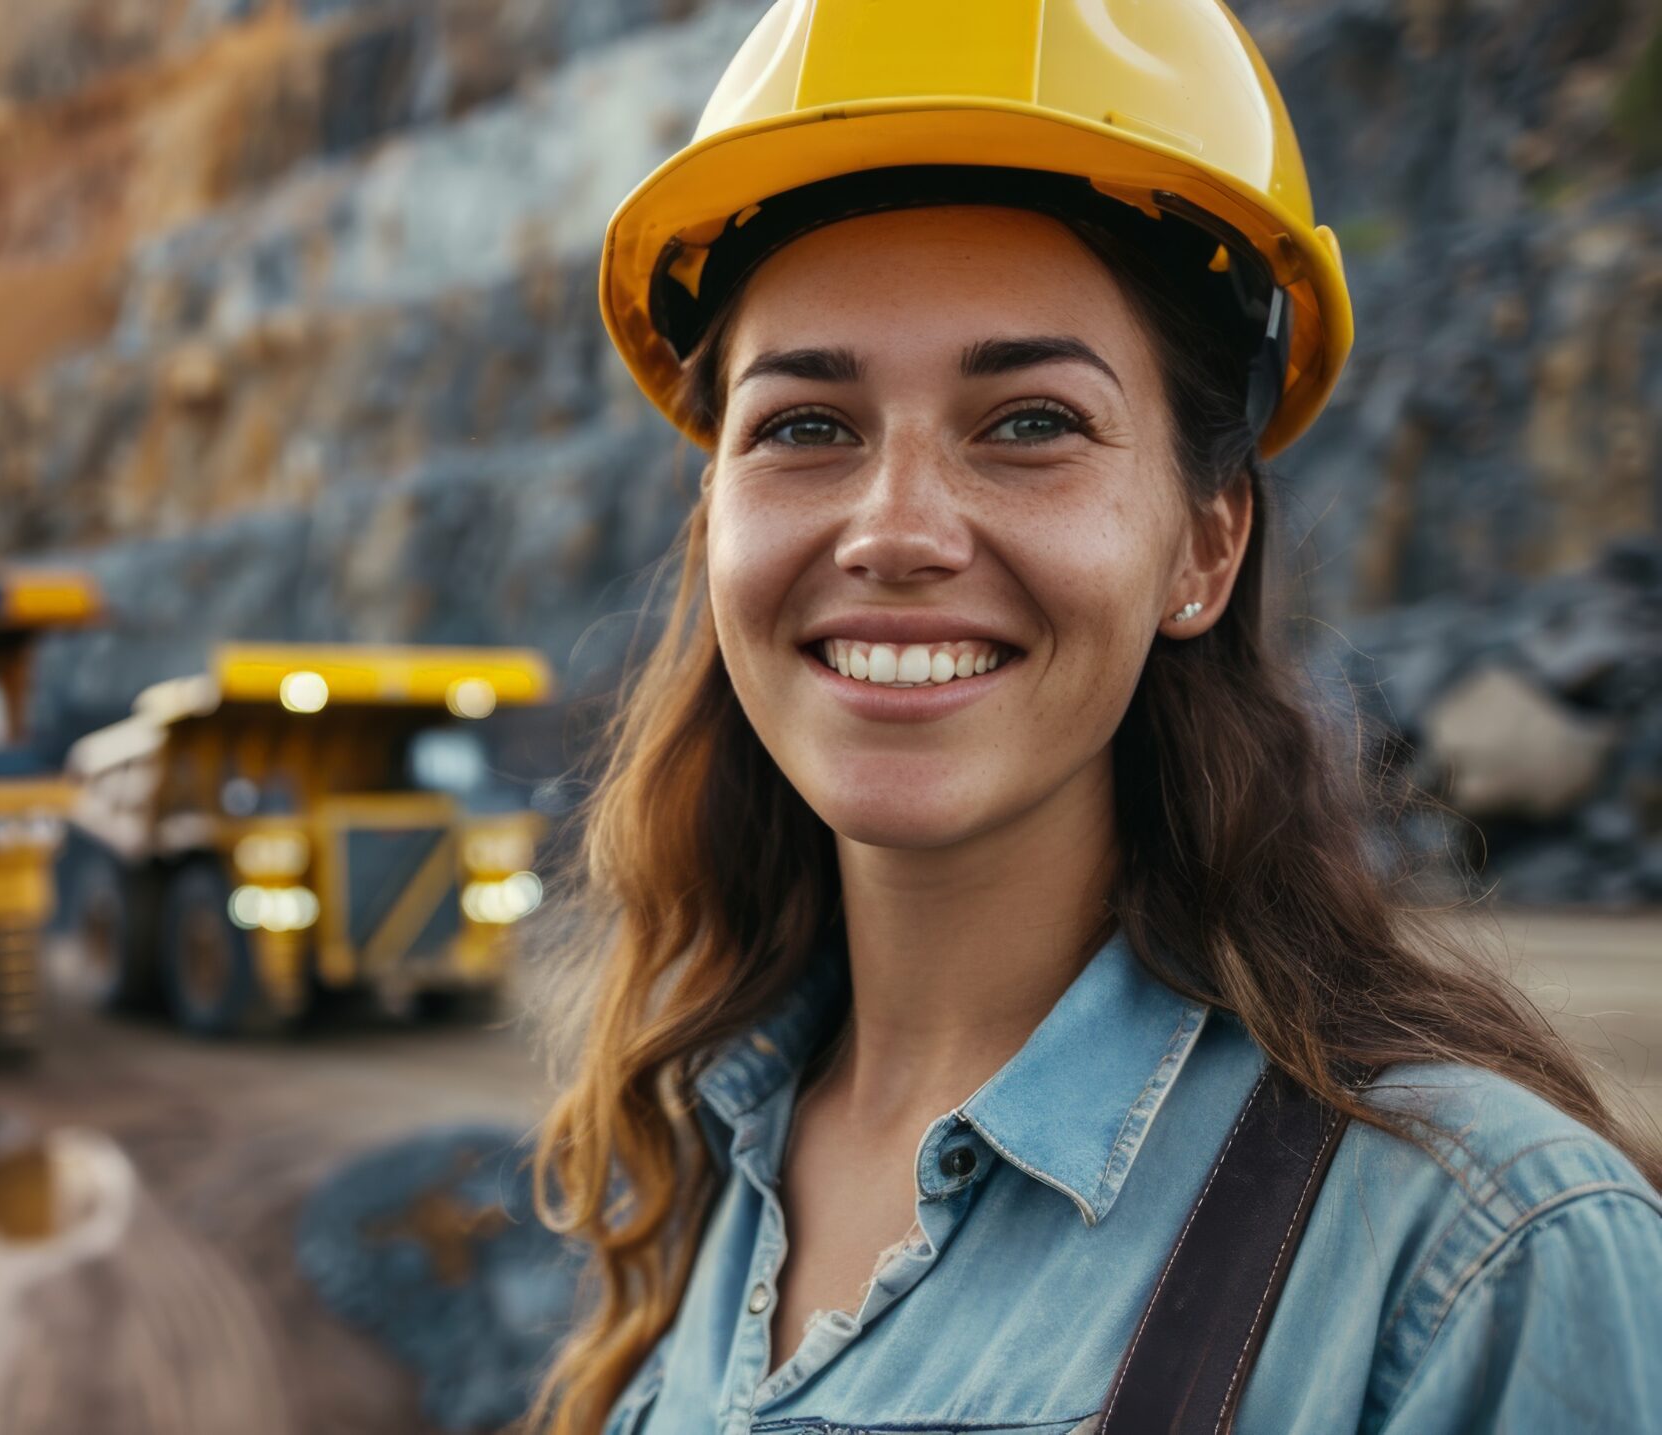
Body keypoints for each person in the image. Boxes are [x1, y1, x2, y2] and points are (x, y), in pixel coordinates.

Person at [530, 2, 1662, 1431]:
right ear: (713, 526)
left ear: (1203, 548)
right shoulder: (693, 1159)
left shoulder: (1478, 1260)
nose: (895, 532)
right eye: (806, 427)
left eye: (1030, 424)